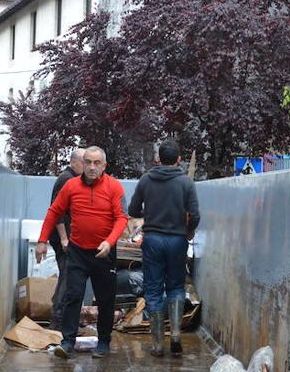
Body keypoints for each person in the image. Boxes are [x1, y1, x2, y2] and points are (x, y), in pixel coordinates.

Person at [35, 146, 128, 359]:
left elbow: (122, 217)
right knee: (72, 294)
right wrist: (42, 241)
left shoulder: (114, 187)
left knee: (105, 299)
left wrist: (109, 241)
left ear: (104, 165)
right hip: (77, 251)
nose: (92, 167)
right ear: (82, 163)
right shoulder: (71, 186)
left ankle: (103, 342)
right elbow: (54, 212)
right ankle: (67, 342)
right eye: (88, 162)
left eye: (97, 163)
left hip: (103, 252)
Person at [128, 139, 200, 357]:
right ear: (179, 159)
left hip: (153, 240)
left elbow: (133, 209)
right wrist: (188, 230)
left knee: (153, 290)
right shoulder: (186, 183)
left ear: (158, 159)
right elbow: (195, 215)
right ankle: (176, 334)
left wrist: (150, 215)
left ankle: (158, 344)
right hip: (177, 240)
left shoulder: (146, 180)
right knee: (176, 287)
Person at [49, 148, 85, 326]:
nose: (87, 166)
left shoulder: (72, 179)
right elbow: (57, 212)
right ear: (74, 162)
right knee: (67, 275)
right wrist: (64, 238)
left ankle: (61, 315)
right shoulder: (66, 180)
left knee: (68, 275)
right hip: (63, 238)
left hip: (68, 237)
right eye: (84, 162)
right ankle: (59, 318)